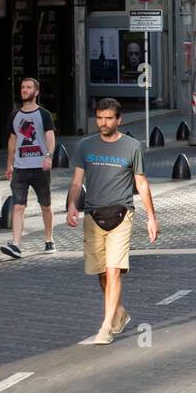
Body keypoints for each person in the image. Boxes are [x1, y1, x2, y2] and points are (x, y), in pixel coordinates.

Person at [66, 98, 159, 345]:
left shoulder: (132, 147)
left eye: (108, 118)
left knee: (113, 270)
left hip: (122, 214)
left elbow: (141, 182)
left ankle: (106, 326)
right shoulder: (85, 146)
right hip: (93, 215)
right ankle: (118, 312)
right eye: (99, 117)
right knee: (101, 273)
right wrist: (71, 206)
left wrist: (151, 217)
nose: (103, 123)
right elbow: (77, 181)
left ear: (119, 120)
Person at [0, 77, 57, 259]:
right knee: (18, 206)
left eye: (28, 87)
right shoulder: (14, 116)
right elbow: (12, 141)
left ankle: (49, 239)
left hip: (40, 168)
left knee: (45, 206)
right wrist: (9, 164)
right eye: (23, 87)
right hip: (20, 169)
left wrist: (48, 156)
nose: (24, 90)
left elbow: (50, 138)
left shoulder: (44, 115)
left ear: (36, 92)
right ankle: (16, 245)